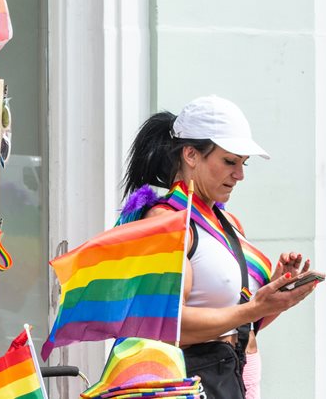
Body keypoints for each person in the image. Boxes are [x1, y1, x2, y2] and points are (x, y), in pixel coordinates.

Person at [119, 95, 318, 399]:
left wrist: (275, 296)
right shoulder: (168, 224)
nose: (239, 175)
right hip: (197, 384)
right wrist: (254, 307)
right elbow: (165, 326)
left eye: (243, 163)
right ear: (191, 154)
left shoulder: (228, 222)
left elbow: (243, 322)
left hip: (236, 379)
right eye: (229, 162)